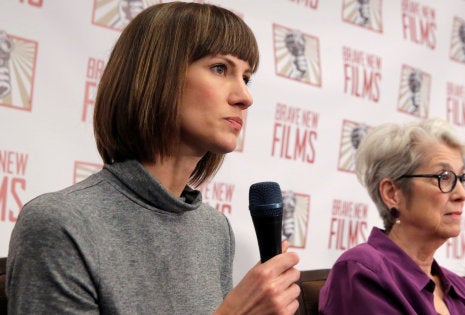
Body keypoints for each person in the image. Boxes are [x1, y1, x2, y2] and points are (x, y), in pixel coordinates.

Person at [6, 2, 301, 314]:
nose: (245, 97)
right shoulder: (59, 224)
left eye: (246, 77)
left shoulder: (214, 230)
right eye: (220, 68)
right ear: (157, 74)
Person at [319, 118, 465, 314]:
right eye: (444, 177)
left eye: (462, 178)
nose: (462, 194)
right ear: (392, 193)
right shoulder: (363, 273)